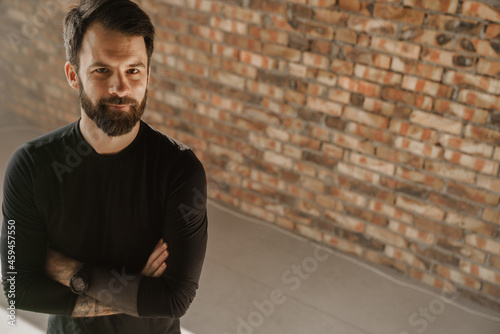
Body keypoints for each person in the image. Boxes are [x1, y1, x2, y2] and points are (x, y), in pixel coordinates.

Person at [0, 0, 208, 333]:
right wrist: (135, 290)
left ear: (148, 74)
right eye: (102, 70)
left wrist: (75, 275)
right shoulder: (30, 167)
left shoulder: (179, 171)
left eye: (133, 70)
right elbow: (16, 286)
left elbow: (174, 299)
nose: (120, 88)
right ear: (73, 75)